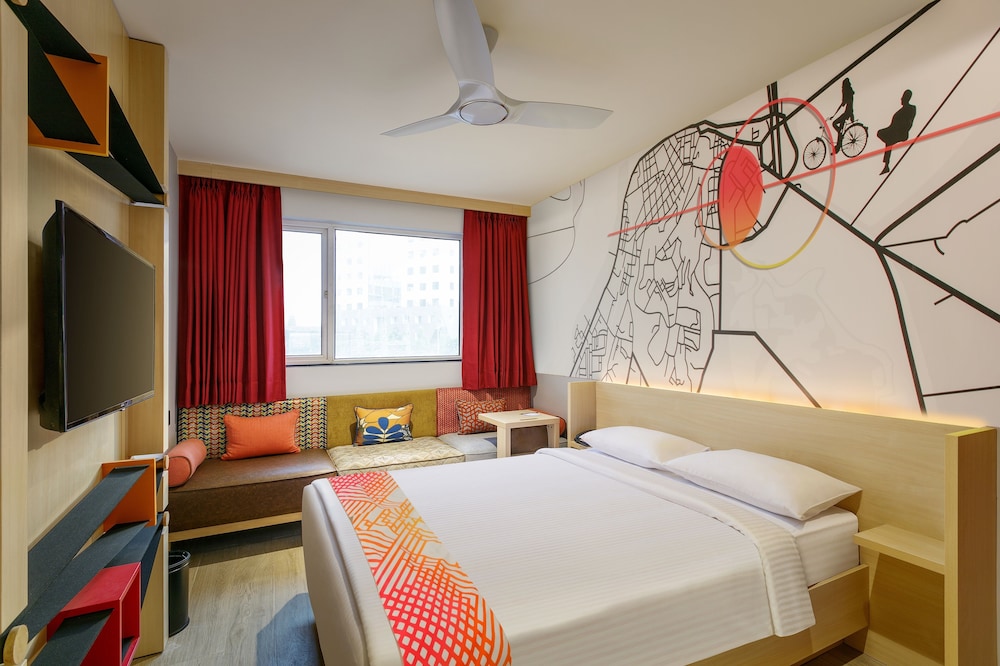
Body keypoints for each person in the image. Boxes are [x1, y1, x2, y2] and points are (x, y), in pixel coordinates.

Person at [877, 89, 916, 174]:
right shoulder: (899, 112)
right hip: (893, 132)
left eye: (903, 97)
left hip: (901, 133)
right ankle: (886, 165)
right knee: (882, 134)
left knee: (889, 141)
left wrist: (903, 127)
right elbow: (892, 125)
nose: (901, 99)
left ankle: (886, 164)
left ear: (906, 98)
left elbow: (909, 122)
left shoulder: (911, 108)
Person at [830, 78, 855, 154]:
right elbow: (844, 104)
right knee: (839, 130)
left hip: (847, 113)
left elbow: (845, 103)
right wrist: (834, 114)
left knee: (834, 123)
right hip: (848, 113)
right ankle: (838, 146)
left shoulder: (847, 93)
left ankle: (840, 137)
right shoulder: (850, 93)